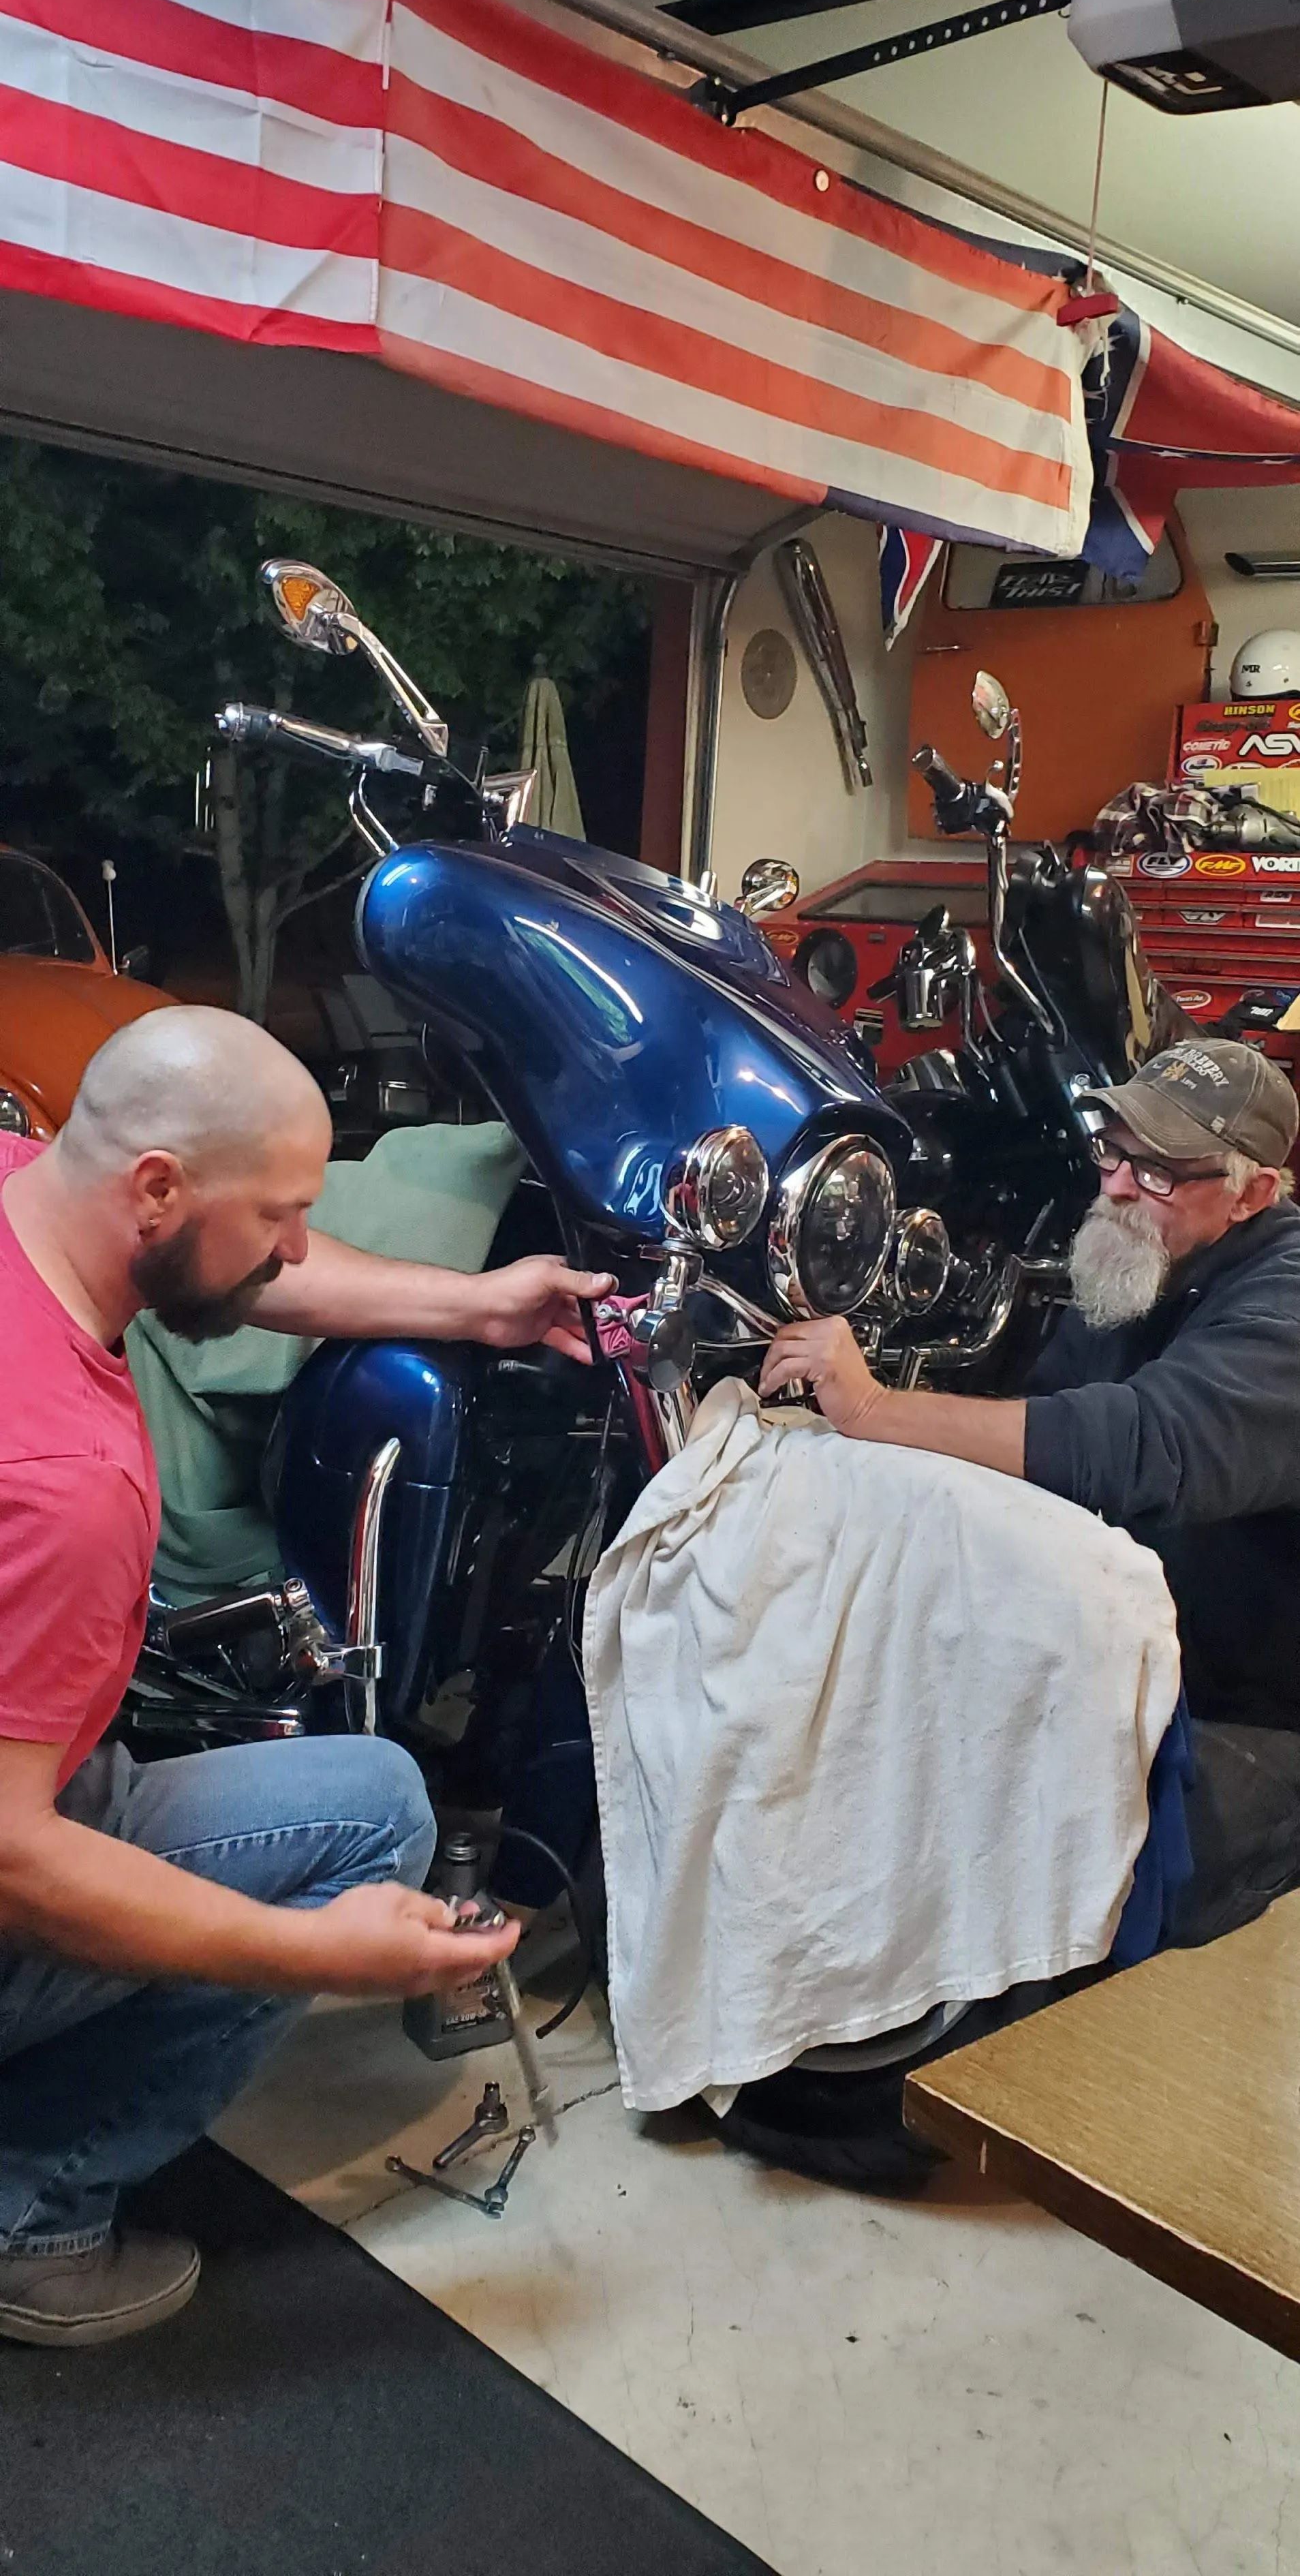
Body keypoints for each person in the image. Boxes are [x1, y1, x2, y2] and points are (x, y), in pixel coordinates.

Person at [0, 1006, 611, 2348]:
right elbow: (12, 1859)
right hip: (14, 1840)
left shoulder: (23, 1188)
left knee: (356, 1797)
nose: (292, 1243)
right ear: (155, 1189)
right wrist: (313, 1952)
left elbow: (247, 1271)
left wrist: (483, 1306)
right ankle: (29, 2217)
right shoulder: (63, 1485)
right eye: (278, 1210)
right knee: (359, 1836)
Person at [759, 1036, 1300, 1937]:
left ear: (1255, 1193)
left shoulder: (1284, 1306)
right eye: (1115, 1151)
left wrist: (875, 1410)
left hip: (1252, 1710)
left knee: (1087, 1888)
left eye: (1161, 1172)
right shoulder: (1136, 1260)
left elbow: (1142, 1447)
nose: (1120, 1187)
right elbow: (1046, 1427)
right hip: (1121, 1648)